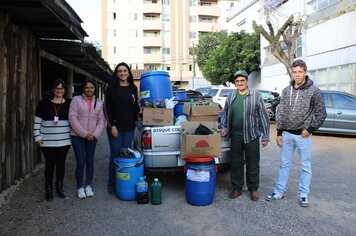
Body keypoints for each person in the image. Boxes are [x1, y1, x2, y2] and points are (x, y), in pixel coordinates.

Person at [266, 59, 326, 207]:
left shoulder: (314, 91)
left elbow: (321, 113)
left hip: (303, 135)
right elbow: (281, 111)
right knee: (284, 164)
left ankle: (304, 194)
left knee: (305, 165)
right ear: (292, 73)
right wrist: (279, 132)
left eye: (300, 72)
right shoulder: (286, 90)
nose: (297, 75)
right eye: (295, 72)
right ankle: (279, 192)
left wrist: (310, 130)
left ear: (305, 72)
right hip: (286, 134)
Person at [221, 70, 270, 201]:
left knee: (252, 163)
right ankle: (237, 188)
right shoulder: (231, 96)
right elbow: (226, 114)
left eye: (242, 80)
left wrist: (265, 136)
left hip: (252, 135)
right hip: (235, 136)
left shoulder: (256, 95)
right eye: (237, 81)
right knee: (235, 163)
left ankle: (253, 189)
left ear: (247, 81)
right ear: (235, 83)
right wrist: (225, 128)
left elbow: (263, 116)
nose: (240, 83)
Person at [104, 62, 140, 195]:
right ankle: (112, 183)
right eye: (120, 71)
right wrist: (112, 125)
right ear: (116, 73)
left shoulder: (132, 87)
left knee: (126, 155)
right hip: (115, 128)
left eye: (125, 71)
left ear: (129, 72)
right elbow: (106, 108)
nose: (122, 73)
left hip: (129, 128)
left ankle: (123, 182)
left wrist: (140, 112)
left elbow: (134, 106)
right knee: (115, 154)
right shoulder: (112, 87)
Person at [33, 79, 71, 201]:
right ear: (53, 89)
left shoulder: (69, 103)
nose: (59, 91)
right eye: (57, 88)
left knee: (61, 164)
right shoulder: (43, 103)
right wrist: (37, 137)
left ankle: (59, 187)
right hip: (47, 141)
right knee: (49, 165)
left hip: (64, 141)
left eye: (61, 89)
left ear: (64, 90)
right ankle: (48, 189)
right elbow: (37, 121)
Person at [69, 78, 105, 199]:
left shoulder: (99, 103)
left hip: (92, 137)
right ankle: (79, 187)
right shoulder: (76, 100)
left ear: (95, 89)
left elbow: (101, 121)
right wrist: (85, 134)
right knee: (80, 161)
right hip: (77, 136)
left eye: (91, 87)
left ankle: (88, 185)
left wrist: (94, 134)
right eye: (87, 87)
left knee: (90, 161)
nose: (89, 89)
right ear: (83, 89)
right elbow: (72, 118)